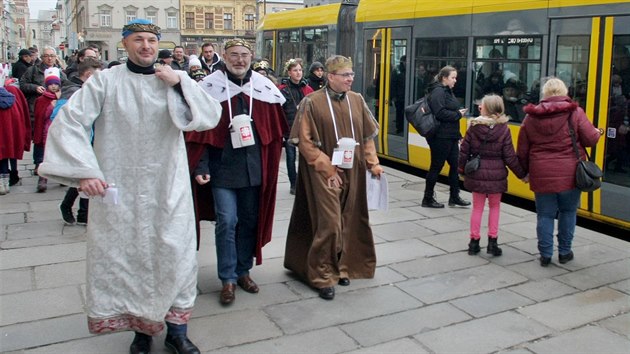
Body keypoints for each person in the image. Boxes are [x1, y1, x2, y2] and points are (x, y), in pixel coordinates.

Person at [37, 19, 222, 354]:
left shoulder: (172, 79)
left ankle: (177, 330)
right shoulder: (105, 82)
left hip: (168, 185)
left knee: (175, 253)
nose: (146, 46)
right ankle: (141, 330)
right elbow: (69, 121)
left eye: (152, 40)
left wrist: (179, 82)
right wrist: (85, 170)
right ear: (125, 44)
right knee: (127, 256)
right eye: (139, 40)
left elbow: (208, 116)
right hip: (120, 187)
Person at [186, 39, 287, 306]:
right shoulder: (209, 88)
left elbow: (276, 132)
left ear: (251, 57)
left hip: (254, 170)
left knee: (249, 222)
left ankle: (243, 271)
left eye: (244, 55)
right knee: (227, 221)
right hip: (223, 171)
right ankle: (227, 277)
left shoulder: (264, 88)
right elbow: (200, 133)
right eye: (234, 55)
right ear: (224, 57)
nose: (240, 60)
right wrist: (201, 166)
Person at [284, 55, 384, 300]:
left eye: (351, 74)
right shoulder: (311, 102)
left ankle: (343, 265)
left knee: (350, 218)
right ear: (330, 77)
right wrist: (327, 167)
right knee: (329, 222)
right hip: (323, 172)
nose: (351, 79)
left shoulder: (357, 100)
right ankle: (321, 275)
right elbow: (304, 142)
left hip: (354, 168)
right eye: (345, 75)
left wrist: (373, 163)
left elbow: (368, 136)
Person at [517, 77, 601, 267]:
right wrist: (599, 132)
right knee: (568, 212)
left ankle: (545, 255)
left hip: (541, 172)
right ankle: (564, 252)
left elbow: (522, 150)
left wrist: (523, 173)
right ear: (565, 92)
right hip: (571, 173)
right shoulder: (575, 113)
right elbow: (590, 139)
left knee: (545, 215)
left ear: (544, 94)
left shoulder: (531, 117)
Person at [458, 94, 526, 256]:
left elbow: (463, 152)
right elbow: (510, 156)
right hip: (497, 175)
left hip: (477, 173)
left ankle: (474, 243)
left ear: (485, 108)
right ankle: (492, 243)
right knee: (495, 208)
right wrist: (522, 175)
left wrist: (460, 170)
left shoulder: (473, 127)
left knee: (477, 208)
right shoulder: (504, 129)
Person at [56, 58, 102, 225]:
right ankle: (71, 207)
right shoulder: (74, 91)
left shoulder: (86, 89)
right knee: (84, 177)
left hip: (92, 139)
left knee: (89, 177)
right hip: (82, 142)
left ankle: (83, 212)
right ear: (89, 74)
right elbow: (63, 120)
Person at [422, 65, 471, 208]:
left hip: (451, 135)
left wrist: (458, 133)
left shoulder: (447, 91)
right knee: (436, 167)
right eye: (453, 78)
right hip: (440, 137)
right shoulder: (438, 91)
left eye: (456, 78)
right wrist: (458, 114)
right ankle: (428, 198)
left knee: (455, 166)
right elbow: (439, 112)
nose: (455, 81)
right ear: (444, 78)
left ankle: (454, 196)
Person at [19, 46, 67, 178]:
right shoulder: (33, 70)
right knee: (39, 138)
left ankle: (56, 164)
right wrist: (35, 88)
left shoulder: (60, 72)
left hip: (55, 108)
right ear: (42, 57)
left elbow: (66, 86)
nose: (50, 58)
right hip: (37, 108)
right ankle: (38, 163)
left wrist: (59, 93)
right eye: (47, 56)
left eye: (52, 55)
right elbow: (22, 84)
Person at [278, 58, 314, 194]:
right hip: (289, 128)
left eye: (300, 70)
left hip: (305, 129)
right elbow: (279, 110)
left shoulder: (308, 88)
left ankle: (304, 182)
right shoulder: (283, 90)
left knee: (306, 157)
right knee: (291, 158)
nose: (298, 73)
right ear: (289, 72)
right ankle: (293, 184)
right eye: (295, 70)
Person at [0, 65, 31, 195]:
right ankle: (9, 176)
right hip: (11, 134)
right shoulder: (13, 92)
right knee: (9, 150)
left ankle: (3, 181)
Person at [32, 67, 62, 192]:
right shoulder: (41, 100)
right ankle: (42, 179)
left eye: (56, 84)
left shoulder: (62, 98)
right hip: (45, 131)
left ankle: (61, 177)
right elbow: (40, 116)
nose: (53, 86)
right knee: (43, 158)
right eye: (51, 84)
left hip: (59, 132)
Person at [390, 55, 406, 134]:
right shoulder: (397, 70)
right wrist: (393, 96)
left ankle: (403, 126)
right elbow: (393, 84)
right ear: (402, 62)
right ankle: (399, 127)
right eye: (406, 61)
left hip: (405, 95)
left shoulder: (408, 69)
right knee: (399, 112)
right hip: (399, 96)